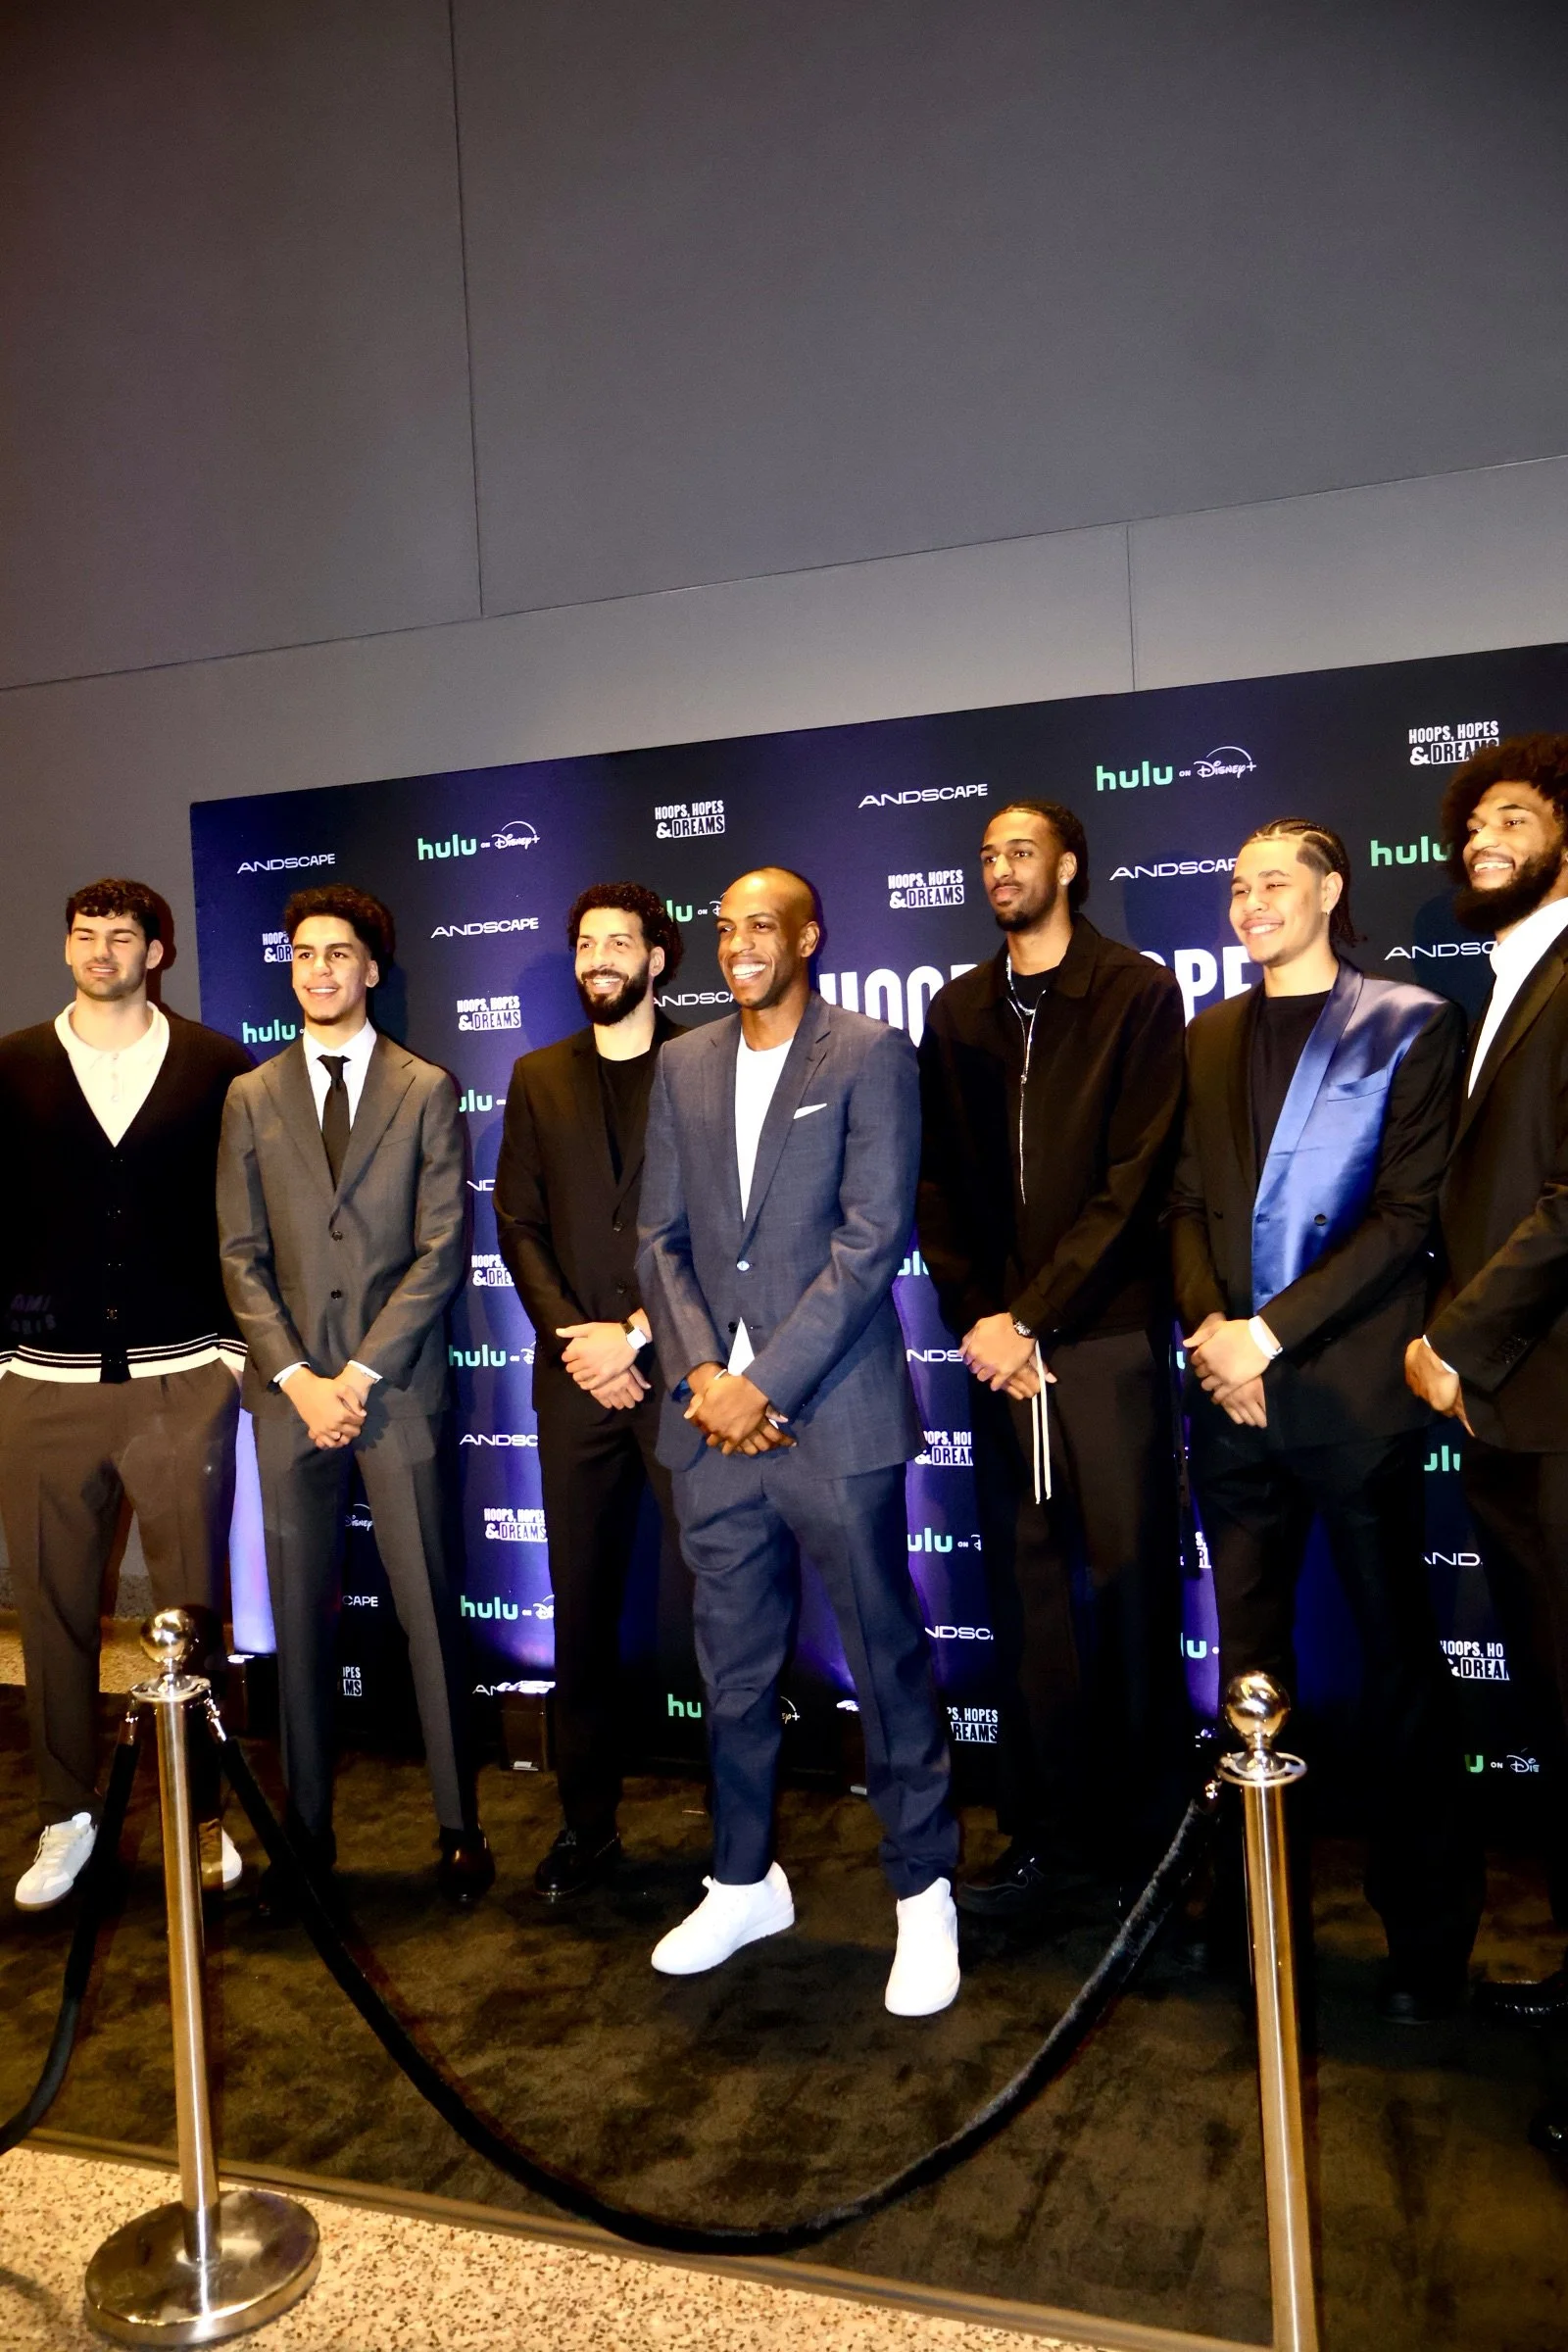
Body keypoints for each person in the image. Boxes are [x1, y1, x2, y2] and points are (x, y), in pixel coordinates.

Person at [637, 866, 960, 2014]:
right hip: (709, 1428)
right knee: (730, 1671)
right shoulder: (682, 1063)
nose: (738, 944)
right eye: (725, 927)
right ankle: (742, 1879)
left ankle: (922, 1893)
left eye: (761, 926)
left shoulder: (867, 1054)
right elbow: (660, 1240)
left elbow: (871, 1242)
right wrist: (704, 1377)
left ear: (809, 936)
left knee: (884, 1659)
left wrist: (761, 1383)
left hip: (831, 1412)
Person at [1172, 819, 1481, 2020]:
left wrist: (1268, 1336)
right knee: (1247, 1673)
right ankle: (1255, 1919)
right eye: (1236, 885)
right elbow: (1183, 1204)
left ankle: (1427, 1945)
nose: (1249, 901)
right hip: (1231, 1409)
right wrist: (1214, 1333)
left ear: (1329, 891)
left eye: (1273, 881)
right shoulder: (1207, 1035)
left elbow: (1407, 1217)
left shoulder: (1407, 1022)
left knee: (1397, 1672)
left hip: (1350, 1407)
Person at [916, 800, 1189, 1918]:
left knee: (1129, 1590)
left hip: (1106, 1336)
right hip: (997, 1353)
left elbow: (1136, 1179)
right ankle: (1042, 1835)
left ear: (1068, 866)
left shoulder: (1135, 991)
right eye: (987, 855)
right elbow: (935, 1187)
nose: (1000, 869)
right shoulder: (957, 1010)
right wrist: (985, 1318)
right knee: (1026, 1598)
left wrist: (1033, 1315)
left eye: (1020, 852)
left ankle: (1153, 1849)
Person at [217, 884, 491, 1913]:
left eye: (338, 953)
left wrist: (359, 1375)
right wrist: (299, 1378)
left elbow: (441, 1250)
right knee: (296, 1617)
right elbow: (239, 1256)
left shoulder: (426, 1088)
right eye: (303, 954)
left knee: (427, 1610)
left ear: (371, 969)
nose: (319, 969)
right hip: (289, 1397)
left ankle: (459, 1826)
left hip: (397, 1388)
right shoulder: (251, 1097)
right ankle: (306, 1833)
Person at [0, 879, 251, 1909]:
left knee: (191, 1613)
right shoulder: (13, 1065)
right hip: (43, 1387)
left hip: (180, 1382)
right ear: (67, 947)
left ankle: (203, 1815)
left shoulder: (215, 1065)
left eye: (121, 935)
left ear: (158, 951)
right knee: (51, 1612)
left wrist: (230, 1355)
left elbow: (244, 1214)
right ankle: (67, 1814)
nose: (100, 950)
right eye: (83, 934)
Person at [1403, 740, 1568, 2091]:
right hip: (1517, 1416)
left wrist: (1455, 1339)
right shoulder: (1508, 977)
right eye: (1469, 826)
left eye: (1510, 816)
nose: (1480, 842)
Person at [495, 883, 688, 1900]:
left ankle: (739, 1837)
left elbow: (721, 1224)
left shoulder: (706, 1062)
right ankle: (586, 1825)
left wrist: (640, 1334)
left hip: (686, 1375)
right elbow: (517, 1223)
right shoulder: (538, 1076)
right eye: (584, 943)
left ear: (657, 958)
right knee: (580, 1609)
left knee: (717, 1607)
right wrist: (580, 1340)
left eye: (619, 941)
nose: (599, 957)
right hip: (574, 1381)